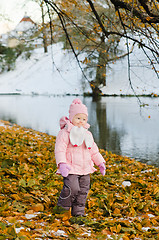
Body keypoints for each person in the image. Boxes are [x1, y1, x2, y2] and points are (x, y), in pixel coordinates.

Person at [54, 98, 106, 221]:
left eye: (84, 119)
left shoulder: (87, 134)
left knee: (83, 191)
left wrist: (100, 163)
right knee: (72, 188)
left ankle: (78, 213)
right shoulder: (65, 133)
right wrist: (62, 163)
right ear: (71, 117)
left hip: (85, 168)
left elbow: (93, 150)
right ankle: (62, 209)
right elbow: (59, 149)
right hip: (71, 167)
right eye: (78, 118)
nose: (81, 122)